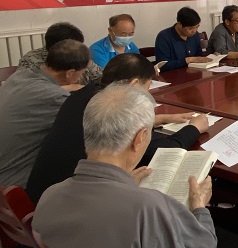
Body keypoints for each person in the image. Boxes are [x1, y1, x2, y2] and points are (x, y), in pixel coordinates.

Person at [33, 84, 238, 248]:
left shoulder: (49, 198)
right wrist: (200, 209)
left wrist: (124, 182)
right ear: (140, 138)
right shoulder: (148, 210)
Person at [26, 53, 209, 205]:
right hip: (74, 205)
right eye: (147, 88)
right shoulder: (115, 111)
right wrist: (194, 128)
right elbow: (165, 150)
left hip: (45, 196)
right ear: (134, 85)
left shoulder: (84, 95)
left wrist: (158, 119)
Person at [0, 39, 90, 187]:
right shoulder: (57, 99)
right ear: (70, 73)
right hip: (12, 182)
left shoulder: (20, 76)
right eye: (82, 72)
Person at [19, 22, 102, 84]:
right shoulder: (31, 61)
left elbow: (101, 77)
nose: (79, 49)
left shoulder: (80, 56)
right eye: (74, 46)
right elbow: (30, 90)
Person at [155, 7, 212, 71]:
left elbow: (198, 55)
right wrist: (187, 60)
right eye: (190, 28)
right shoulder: (164, 37)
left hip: (194, 72)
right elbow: (162, 65)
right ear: (179, 24)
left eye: (197, 27)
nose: (194, 31)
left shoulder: (195, 35)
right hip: (173, 74)